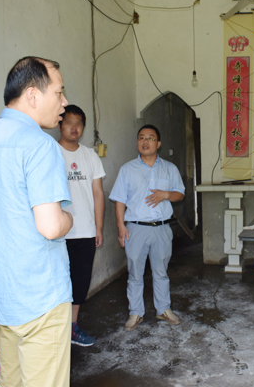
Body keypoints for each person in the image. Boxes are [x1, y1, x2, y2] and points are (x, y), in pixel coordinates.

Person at [0, 56, 74, 387]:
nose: (64, 103)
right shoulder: (39, 145)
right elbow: (51, 226)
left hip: (1, 295)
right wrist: (69, 218)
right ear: (32, 95)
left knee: (11, 380)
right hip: (40, 296)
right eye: (59, 92)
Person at [110, 125, 185, 332]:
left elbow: (180, 193)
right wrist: (121, 227)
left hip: (161, 228)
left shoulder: (169, 168)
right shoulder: (127, 169)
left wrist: (166, 195)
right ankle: (136, 312)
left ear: (158, 144)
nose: (145, 141)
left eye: (150, 138)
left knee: (161, 272)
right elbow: (119, 200)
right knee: (135, 273)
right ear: (137, 142)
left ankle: (163, 309)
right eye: (142, 137)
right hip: (136, 228)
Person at [57, 104, 105, 346]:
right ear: (60, 125)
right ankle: (57, 330)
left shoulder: (90, 156)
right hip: (56, 231)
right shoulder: (50, 152)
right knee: (57, 282)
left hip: (85, 230)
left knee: (79, 281)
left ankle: (72, 327)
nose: (74, 128)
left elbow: (98, 193)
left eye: (78, 124)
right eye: (69, 122)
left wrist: (98, 228)